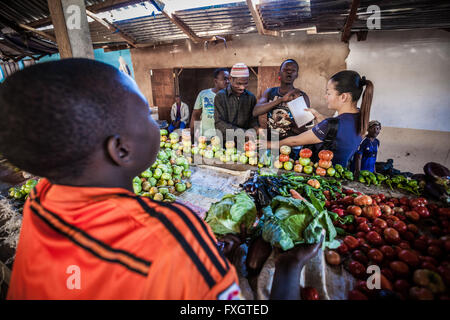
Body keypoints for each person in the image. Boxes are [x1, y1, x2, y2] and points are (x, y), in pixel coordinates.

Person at [0, 59, 321, 300]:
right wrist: (289, 266)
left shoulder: (41, 199)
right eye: (145, 115)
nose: (159, 124)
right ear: (121, 149)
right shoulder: (172, 231)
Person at [266, 70, 374, 168]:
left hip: (323, 178)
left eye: (328, 93)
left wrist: (270, 144)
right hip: (341, 174)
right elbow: (337, 131)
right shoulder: (360, 117)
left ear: (343, 97)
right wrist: (318, 116)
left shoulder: (331, 124)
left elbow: (295, 141)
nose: (325, 96)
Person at [253, 59, 311, 159]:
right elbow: (256, 111)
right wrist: (281, 100)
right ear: (279, 73)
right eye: (286, 69)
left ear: (296, 75)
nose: (289, 72)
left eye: (293, 70)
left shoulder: (301, 96)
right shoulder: (270, 92)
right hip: (271, 143)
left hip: (291, 147)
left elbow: (303, 129)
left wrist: (297, 104)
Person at [214, 63, 258, 142]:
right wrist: (243, 132)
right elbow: (219, 123)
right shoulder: (220, 96)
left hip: (245, 143)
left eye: (246, 83)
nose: (242, 87)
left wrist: (254, 130)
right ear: (230, 79)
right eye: (239, 83)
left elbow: (253, 120)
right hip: (225, 143)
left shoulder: (251, 97)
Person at [190, 68, 230, 141]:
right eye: (224, 79)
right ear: (215, 81)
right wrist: (193, 133)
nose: (227, 81)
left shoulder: (231, 97)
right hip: (206, 137)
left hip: (224, 138)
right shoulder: (204, 94)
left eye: (228, 79)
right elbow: (196, 115)